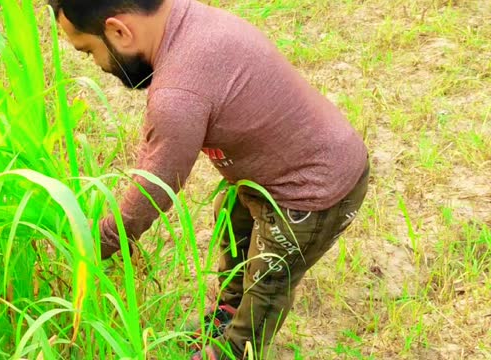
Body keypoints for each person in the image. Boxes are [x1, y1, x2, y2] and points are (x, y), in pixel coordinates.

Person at [49, 0, 370, 359]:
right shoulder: (185, 17)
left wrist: (92, 245)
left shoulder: (179, 93)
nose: (98, 65)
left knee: (267, 283)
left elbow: (153, 188)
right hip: (283, 167)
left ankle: (234, 349)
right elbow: (157, 147)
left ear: (119, 31)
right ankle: (227, 312)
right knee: (232, 218)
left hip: (314, 192)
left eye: (89, 51)